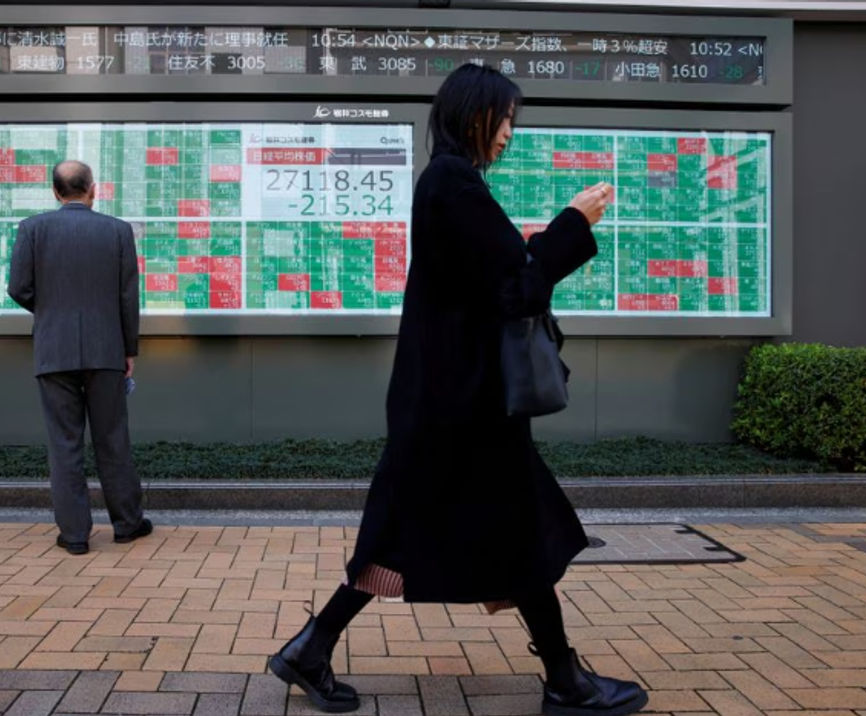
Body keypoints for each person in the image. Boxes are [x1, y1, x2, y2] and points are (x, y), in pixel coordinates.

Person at [268, 64, 647, 716]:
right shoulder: (452, 182)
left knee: (424, 533)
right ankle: (565, 680)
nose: (507, 135)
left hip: (449, 405)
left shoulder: (450, 182)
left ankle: (311, 649)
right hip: (463, 409)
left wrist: (541, 242)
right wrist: (572, 223)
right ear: (474, 115)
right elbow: (517, 289)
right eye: (504, 120)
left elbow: (496, 279)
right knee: (515, 530)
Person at [8, 160, 152, 556]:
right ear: (93, 189)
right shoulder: (118, 231)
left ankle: (74, 536)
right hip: (107, 350)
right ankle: (126, 524)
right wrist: (128, 350)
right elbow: (128, 297)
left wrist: (51, 311)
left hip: (54, 351)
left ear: (56, 192)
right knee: (112, 439)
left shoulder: (32, 229)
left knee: (64, 443)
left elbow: (18, 288)